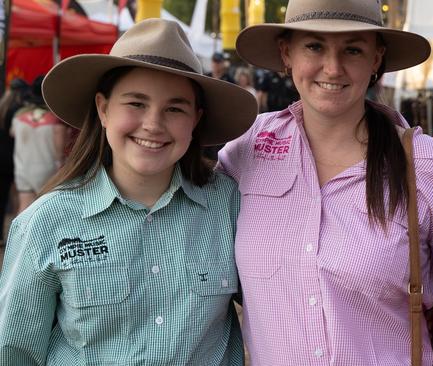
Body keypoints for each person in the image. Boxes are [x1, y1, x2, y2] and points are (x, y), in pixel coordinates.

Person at [219, 0, 433, 364]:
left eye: (353, 49)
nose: (333, 67)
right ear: (286, 52)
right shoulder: (246, 153)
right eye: (314, 46)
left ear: (376, 59)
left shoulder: (431, 172)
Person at [0, 18, 257, 365]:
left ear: (195, 120)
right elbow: (14, 352)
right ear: (103, 109)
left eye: (175, 108)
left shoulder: (232, 207)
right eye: (136, 103)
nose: (153, 123)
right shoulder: (44, 223)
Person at [10, 75, 68, 213]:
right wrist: (61, 163)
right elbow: (59, 144)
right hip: (48, 169)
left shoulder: (19, 116)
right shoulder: (56, 119)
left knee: (24, 207)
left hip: (23, 168)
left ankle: (22, 234)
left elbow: (12, 133)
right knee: (46, 208)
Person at [0, 78, 29, 243]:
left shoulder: (1, 108)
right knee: (19, 200)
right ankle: (16, 237)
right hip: (15, 160)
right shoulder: (19, 111)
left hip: (1, 161)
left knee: (2, 199)